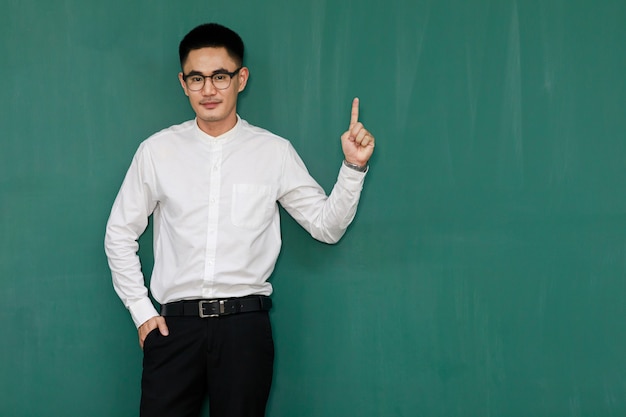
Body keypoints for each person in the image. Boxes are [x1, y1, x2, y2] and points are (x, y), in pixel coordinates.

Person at [104, 22, 375, 417]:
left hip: (244, 329)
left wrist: (352, 168)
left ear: (240, 78)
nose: (209, 89)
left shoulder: (273, 152)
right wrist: (142, 312)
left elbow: (326, 227)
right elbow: (118, 234)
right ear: (183, 83)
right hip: (174, 329)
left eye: (220, 76)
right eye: (197, 78)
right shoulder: (157, 152)